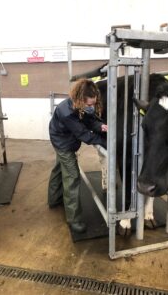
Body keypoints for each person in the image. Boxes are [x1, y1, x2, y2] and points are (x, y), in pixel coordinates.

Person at [48, 79, 107, 233]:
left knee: (59, 168)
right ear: (80, 100)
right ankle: (74, 219)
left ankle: (53, 199)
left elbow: (89, 120)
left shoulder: (79, 106)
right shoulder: (66, 112)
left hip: (64, 137)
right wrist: (106, 142)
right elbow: (84, 134)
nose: (91, 107)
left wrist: (101, 126)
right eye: (89, 105)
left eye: (93, 104)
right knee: (72, 177)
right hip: (63, 143)